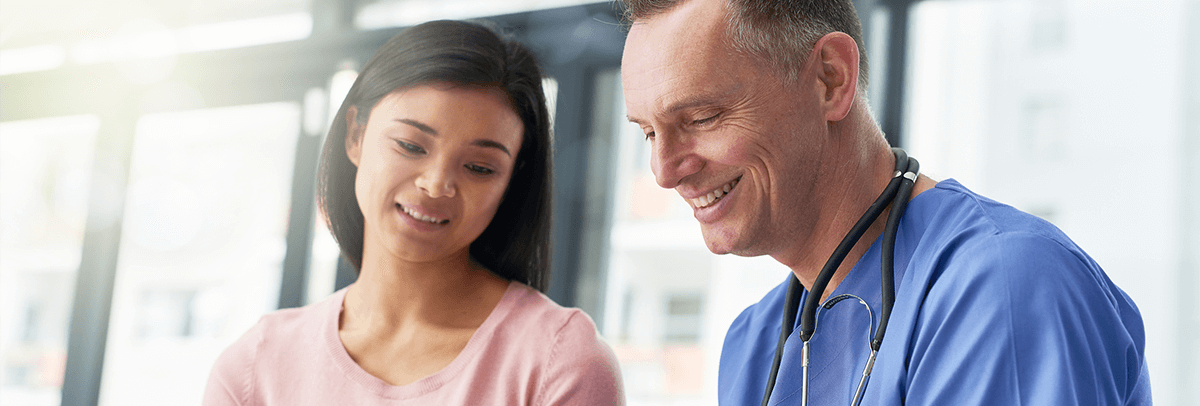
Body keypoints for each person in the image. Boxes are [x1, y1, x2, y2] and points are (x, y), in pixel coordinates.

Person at [620, 0, 1151, 405]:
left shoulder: (1005, 288)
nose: (664, 171)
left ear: (831, 78)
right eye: (648, 133)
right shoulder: (755, 345)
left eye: (701, 118)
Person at [203, 20, 624, 405]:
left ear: (510, 182)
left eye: (479, 167)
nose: (436, 183)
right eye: (410, 145)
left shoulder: (558, 361)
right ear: (355, 134)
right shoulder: (255, 367)